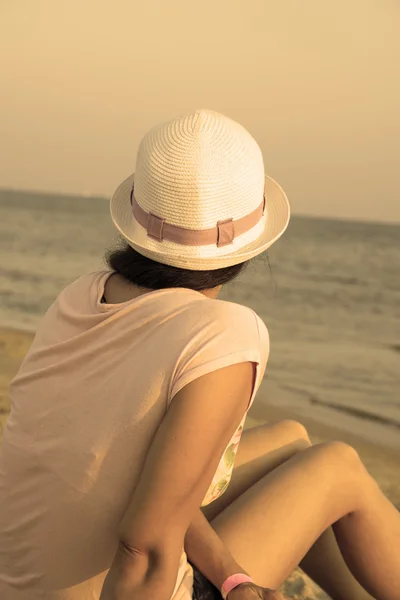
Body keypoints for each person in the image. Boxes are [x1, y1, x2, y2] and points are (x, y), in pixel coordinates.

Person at [0, 109, 398, 600]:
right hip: (115, 588)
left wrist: (232, 578)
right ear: (252, 245)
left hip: (23, 578)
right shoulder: (223, 335)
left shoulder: (83, 295)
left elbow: (138, 477)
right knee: (337, 466)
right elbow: (142, 548)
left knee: (293, 440)